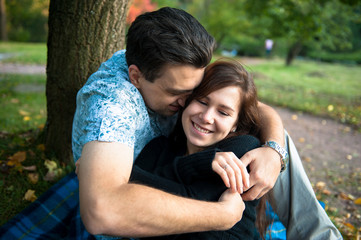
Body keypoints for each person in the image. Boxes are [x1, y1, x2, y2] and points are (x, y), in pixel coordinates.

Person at [73, 7, 342, 239]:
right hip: (141, 217)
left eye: (195, 91)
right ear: (136, 77)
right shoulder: (110, 106)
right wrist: (221, 215)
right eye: (177, 93)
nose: (190, 103)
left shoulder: (169, 62)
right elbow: (103, 212)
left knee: (271, 144)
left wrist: (274, 151)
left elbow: (252, 109)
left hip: (176, 170)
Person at [130, 59, 271, 240]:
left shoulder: (243, 149)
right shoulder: (158, 147)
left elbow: (192, 198)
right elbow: (126, 195)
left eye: (223, 112)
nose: (206, 117)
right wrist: (202, 163)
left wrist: (134, 178)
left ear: (235, 124)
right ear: (187, 100)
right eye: (202, 102)